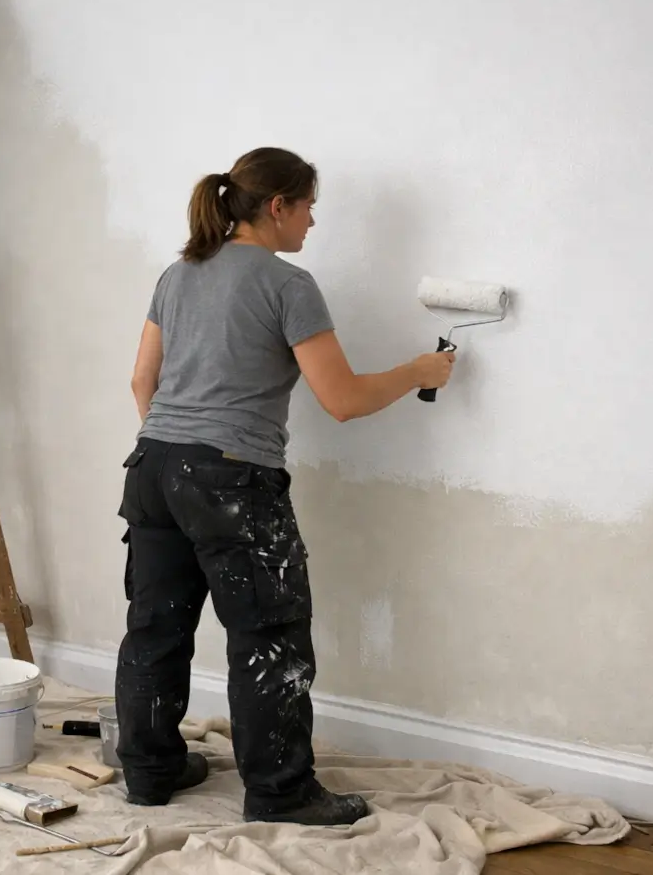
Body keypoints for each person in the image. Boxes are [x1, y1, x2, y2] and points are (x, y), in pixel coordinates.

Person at [115, 146, 456, 824]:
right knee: (270, 636)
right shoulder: (287, 285)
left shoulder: (177, 274)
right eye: (308, 208)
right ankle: (280, 792)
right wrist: (420, 371)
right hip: (230, 480)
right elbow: (344, 399)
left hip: (153, 465)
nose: (311, 224)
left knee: (155, 629)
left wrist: (179, 445)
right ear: (278, 207)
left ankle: (150, 773)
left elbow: (140, 381)